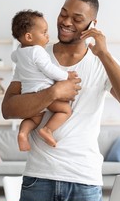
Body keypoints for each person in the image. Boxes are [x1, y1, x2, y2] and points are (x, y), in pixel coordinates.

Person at [2, 0, 120, 201]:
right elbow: (8, 108)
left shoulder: (101, 61)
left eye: (77, 19)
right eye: (63, 14)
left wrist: (104, 54)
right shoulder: (35, 53)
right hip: (39, 178)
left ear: (92, 24)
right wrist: (53, 93)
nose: (66, 22)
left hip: (84, 181)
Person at [11, 10, 77, 151]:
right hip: (42, 89)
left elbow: (13, 58)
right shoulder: (38, 51)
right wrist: (66, 76)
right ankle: (47, 130)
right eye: (44, 32)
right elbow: (49, 69)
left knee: (34, 119)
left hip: (27, 94)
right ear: (29, 37)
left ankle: (23, 133)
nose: (47, 35)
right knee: (66, 110)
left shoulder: (18, 52)